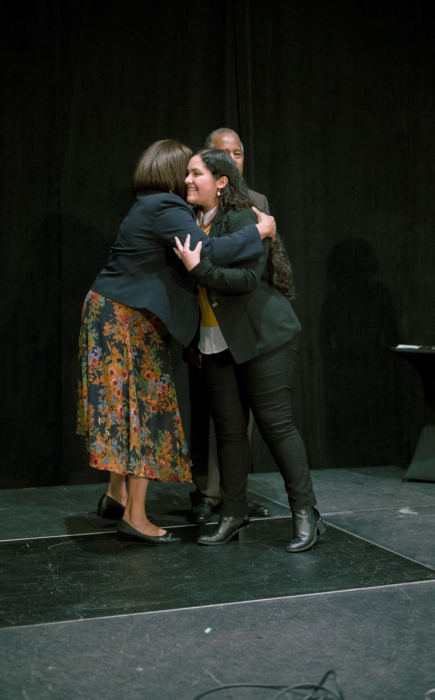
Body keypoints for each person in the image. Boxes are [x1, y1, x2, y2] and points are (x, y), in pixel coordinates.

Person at [76, 139, 277, 547]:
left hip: (114, 311)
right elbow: (207, 250)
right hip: (126, 317)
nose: (188, 179)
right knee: (144, 408)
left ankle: (117, 496)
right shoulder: (166, 206)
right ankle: (135, 517)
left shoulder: (147, 204)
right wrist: (259, 231)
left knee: (127, 409)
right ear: (170, 171)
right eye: (186, 170)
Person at [174, 148, 325, 552]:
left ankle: (305, 512)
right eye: (187, 174)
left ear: (221, 182)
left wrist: (199, 268)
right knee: (229, 433)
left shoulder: (242, 218)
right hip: (215, 342)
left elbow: (246, 280)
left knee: (276, 426)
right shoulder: (189, 221)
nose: (187, 180)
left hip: (263, 338)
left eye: (196, 174)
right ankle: (232, 514)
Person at [187, 128, 271, 524]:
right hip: (199, 321)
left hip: (237, 320)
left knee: (240, 419)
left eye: (238, 153)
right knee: (206, 412)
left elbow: (257, 268)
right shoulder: (189, 200)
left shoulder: (255, 202)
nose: (234, 159)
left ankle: (233, 496)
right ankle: (206, 492)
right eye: (225, 153)